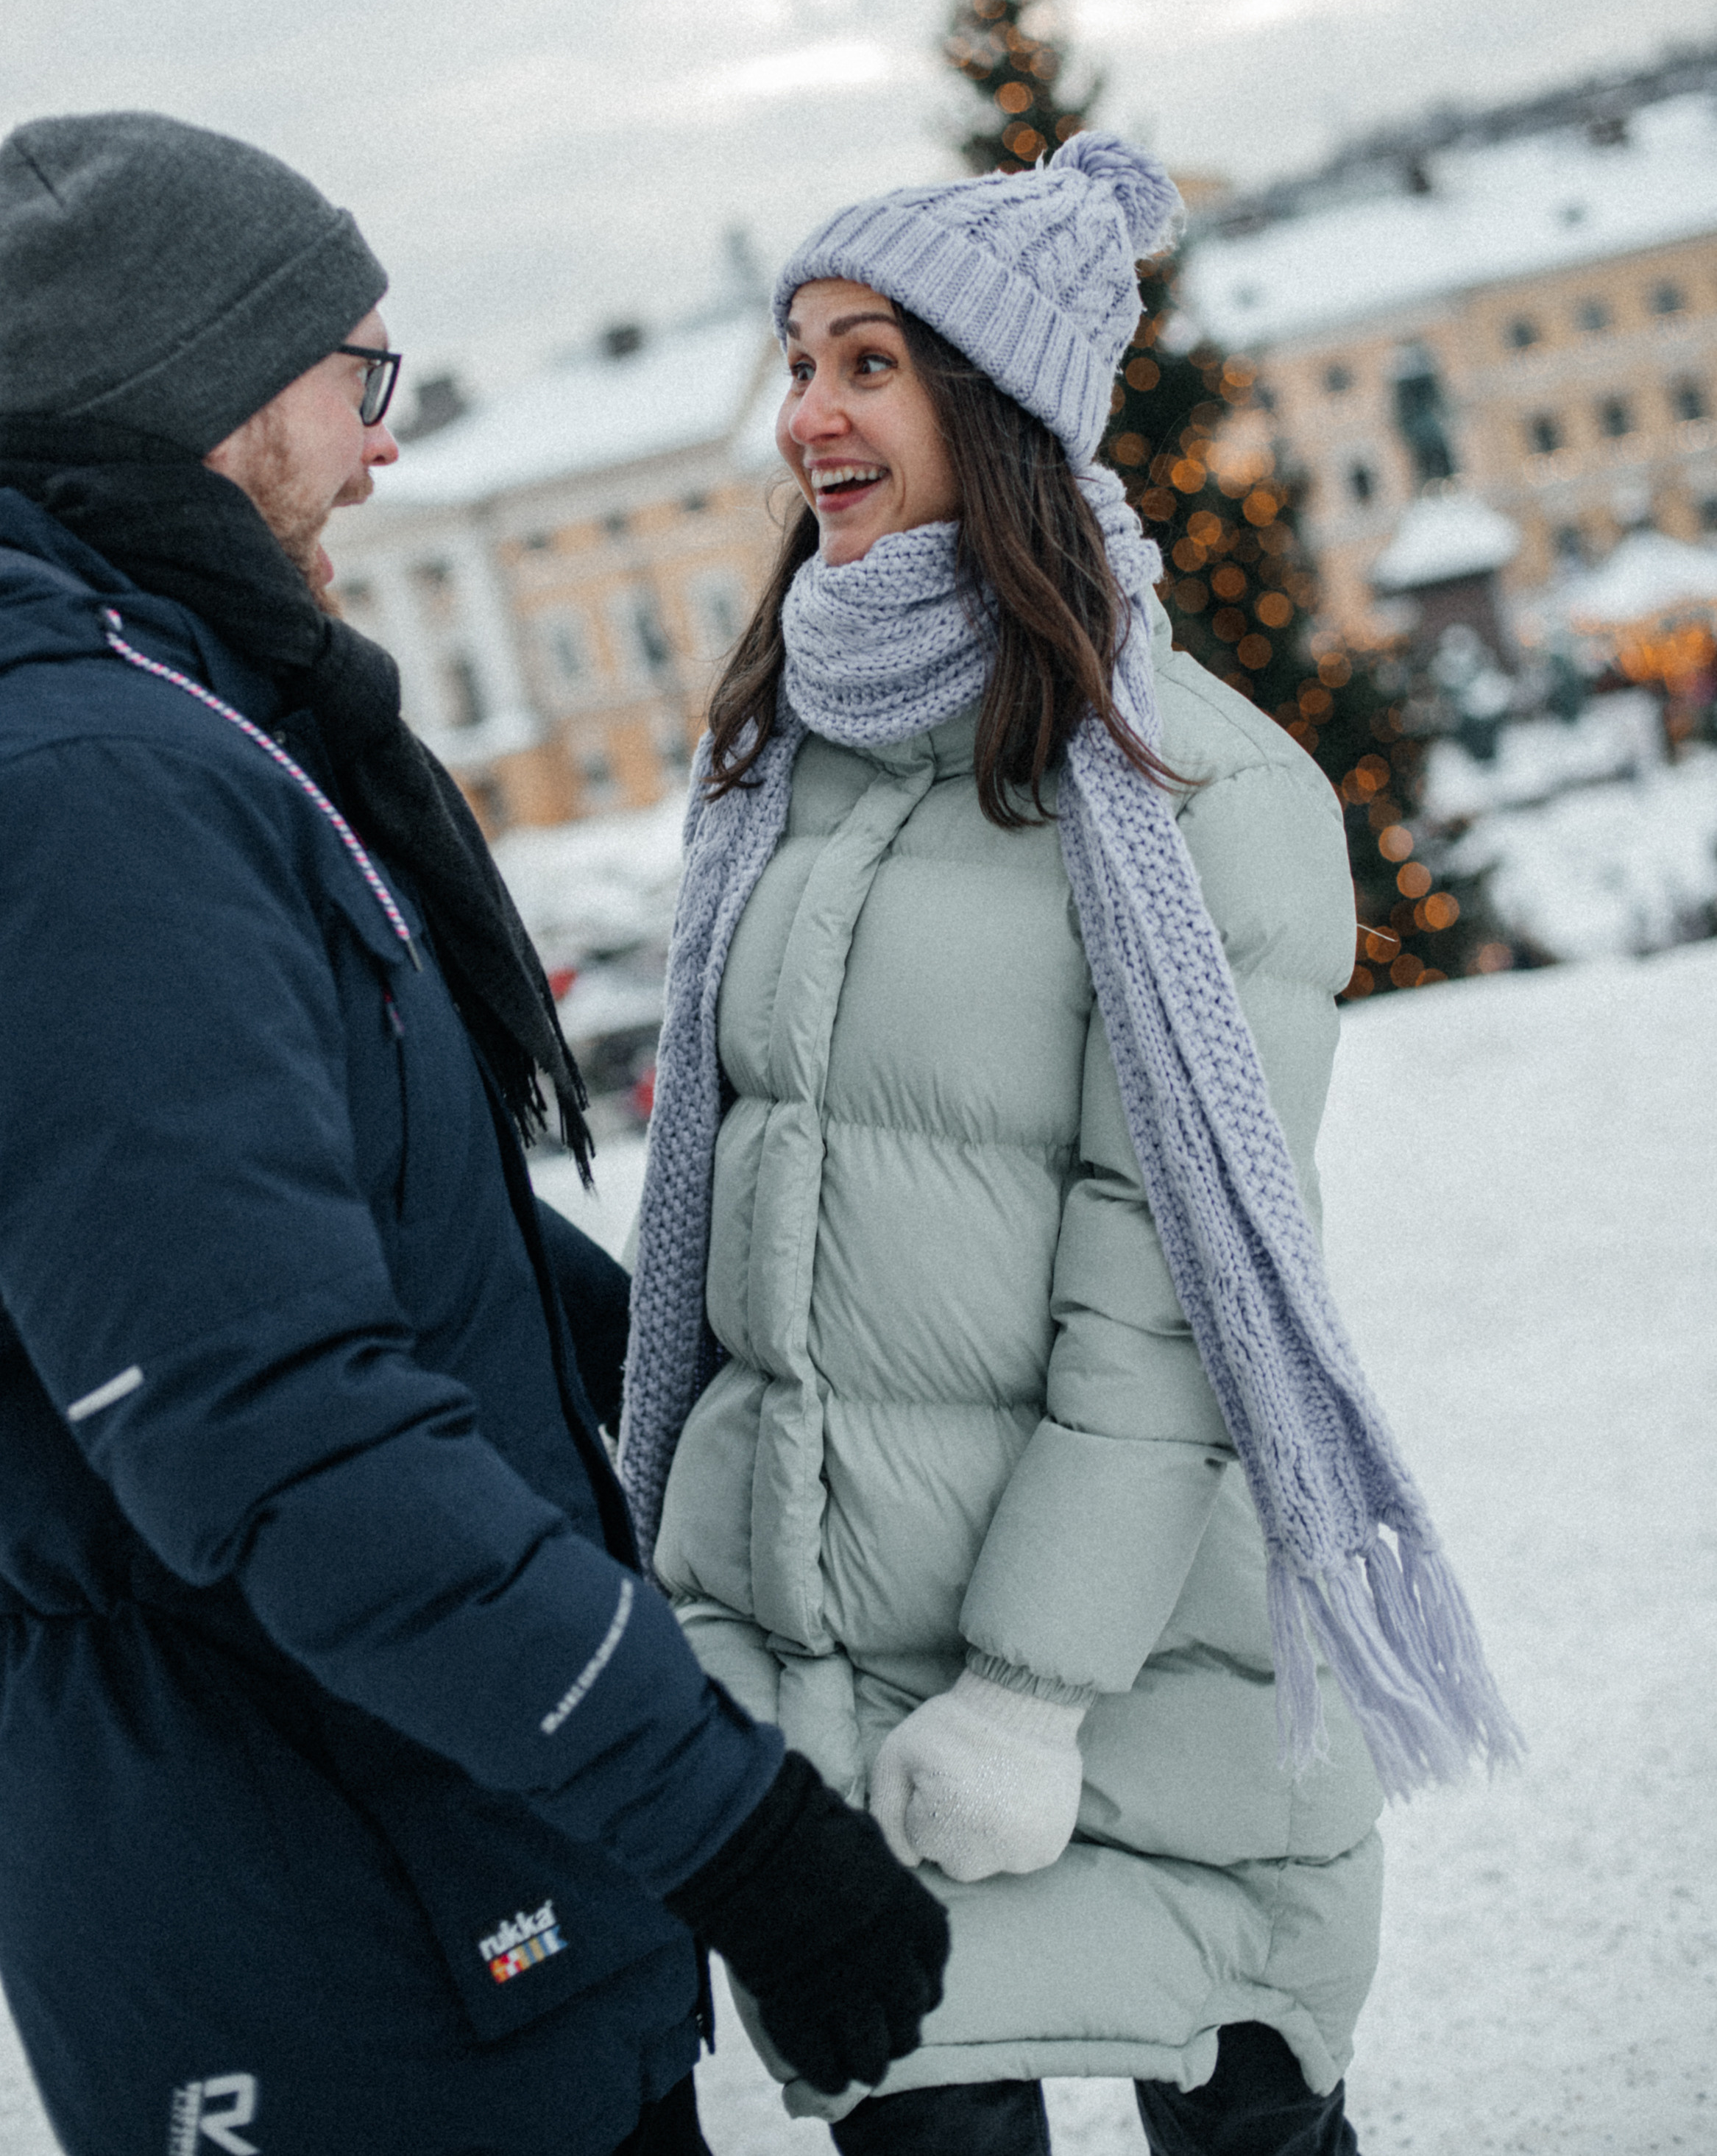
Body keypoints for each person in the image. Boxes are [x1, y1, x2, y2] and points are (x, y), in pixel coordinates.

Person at [0, 111, 948, 2156]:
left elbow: (343, 1257)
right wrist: (735, 1826)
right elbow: (280, 1424)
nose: (384, 443)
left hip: (404, 1877)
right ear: (211, 393)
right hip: (347, 1940)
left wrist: (713, 1342)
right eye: (364, 375)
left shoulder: (139, 714)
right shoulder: (90, 782)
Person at [620, 134, 1520, 2154]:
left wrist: (1030, 1687)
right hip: (846, 1674)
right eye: (796, 362)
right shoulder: (786, 760)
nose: (808, 414)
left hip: (1142, 1663)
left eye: (867, 363)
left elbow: (1174, 1300)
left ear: (994, 403)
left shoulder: (1200, 792)